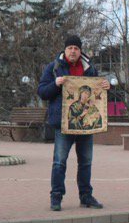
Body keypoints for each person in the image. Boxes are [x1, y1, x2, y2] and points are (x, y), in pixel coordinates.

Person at [38, 35, 110, 211]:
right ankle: (56, 197)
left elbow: (97, 90)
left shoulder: (89, 68)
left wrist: (107, 86)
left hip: (86, 126)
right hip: (64, 124)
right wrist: (55, 84)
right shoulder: (54, 68)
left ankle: (86, 196)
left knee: (85, 162)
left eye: (76, 48)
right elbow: (42, 92)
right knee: (60, 162)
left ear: (80, 51)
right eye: (70, 48)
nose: (73, 51)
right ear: (65, 50)